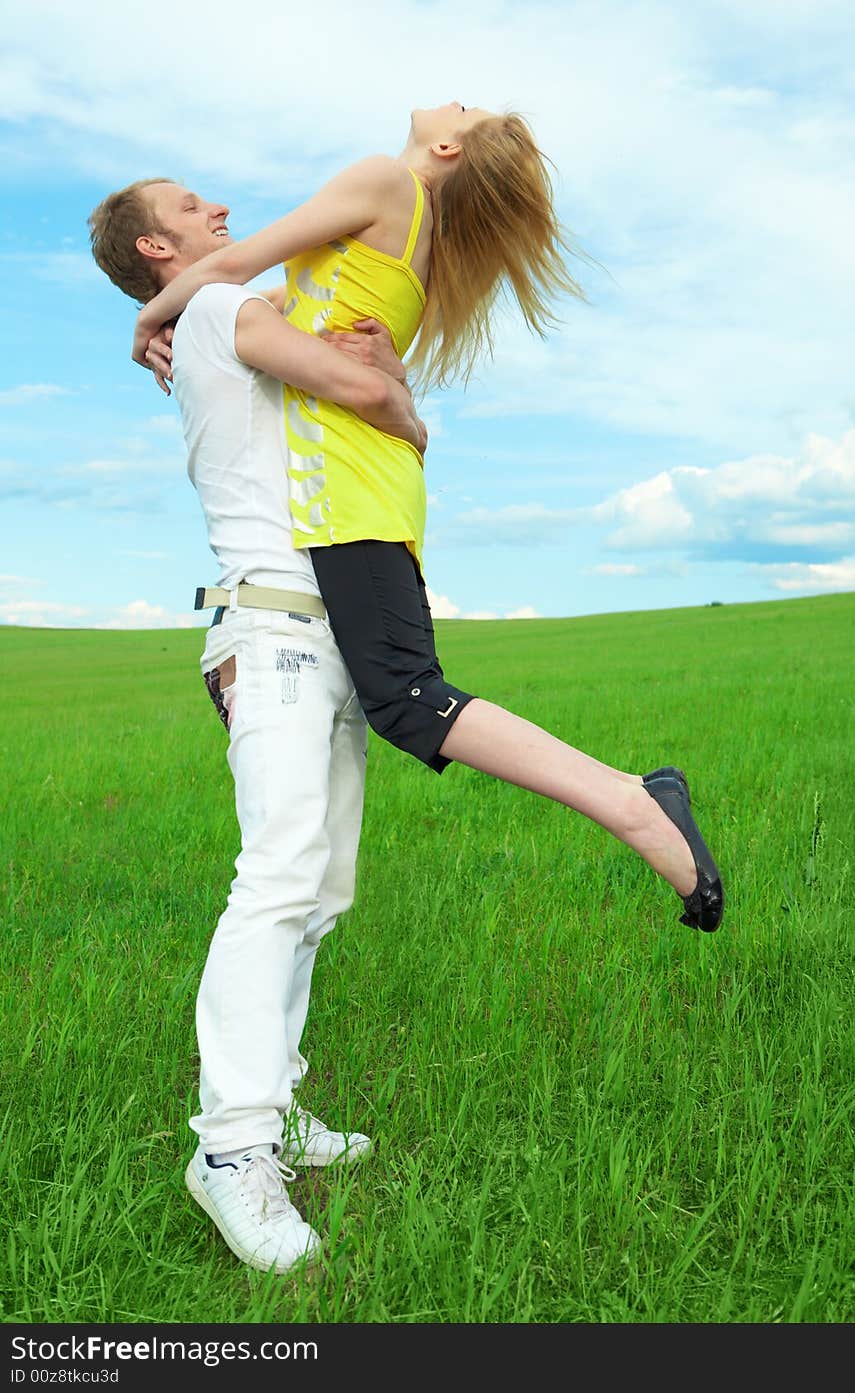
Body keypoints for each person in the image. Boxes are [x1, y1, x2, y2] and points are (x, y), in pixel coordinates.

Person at [131, 103, 724, 936]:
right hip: (369, 482)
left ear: (445, 146)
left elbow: (233, 267)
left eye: (465, 111)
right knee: (406, 698)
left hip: (345, 488)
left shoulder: (381, 178)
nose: (455, 102)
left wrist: (147, 317)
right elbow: (263, 303)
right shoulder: (405, 221)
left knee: (409, 697)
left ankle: (633, 802)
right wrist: (399, 402)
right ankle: (632, 800)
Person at [89, 177, 429, 1275]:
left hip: (325, 629)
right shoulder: (218, 306)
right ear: (157, 244)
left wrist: (380, 379)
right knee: (278, 876)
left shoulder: (228, 312)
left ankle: (272, 1111)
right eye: (194, 206)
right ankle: (232, 1151)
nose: (222, 209)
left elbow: (369, 404)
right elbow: (375, 401)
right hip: (276, 628)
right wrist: (385, 377)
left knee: (318, 888)